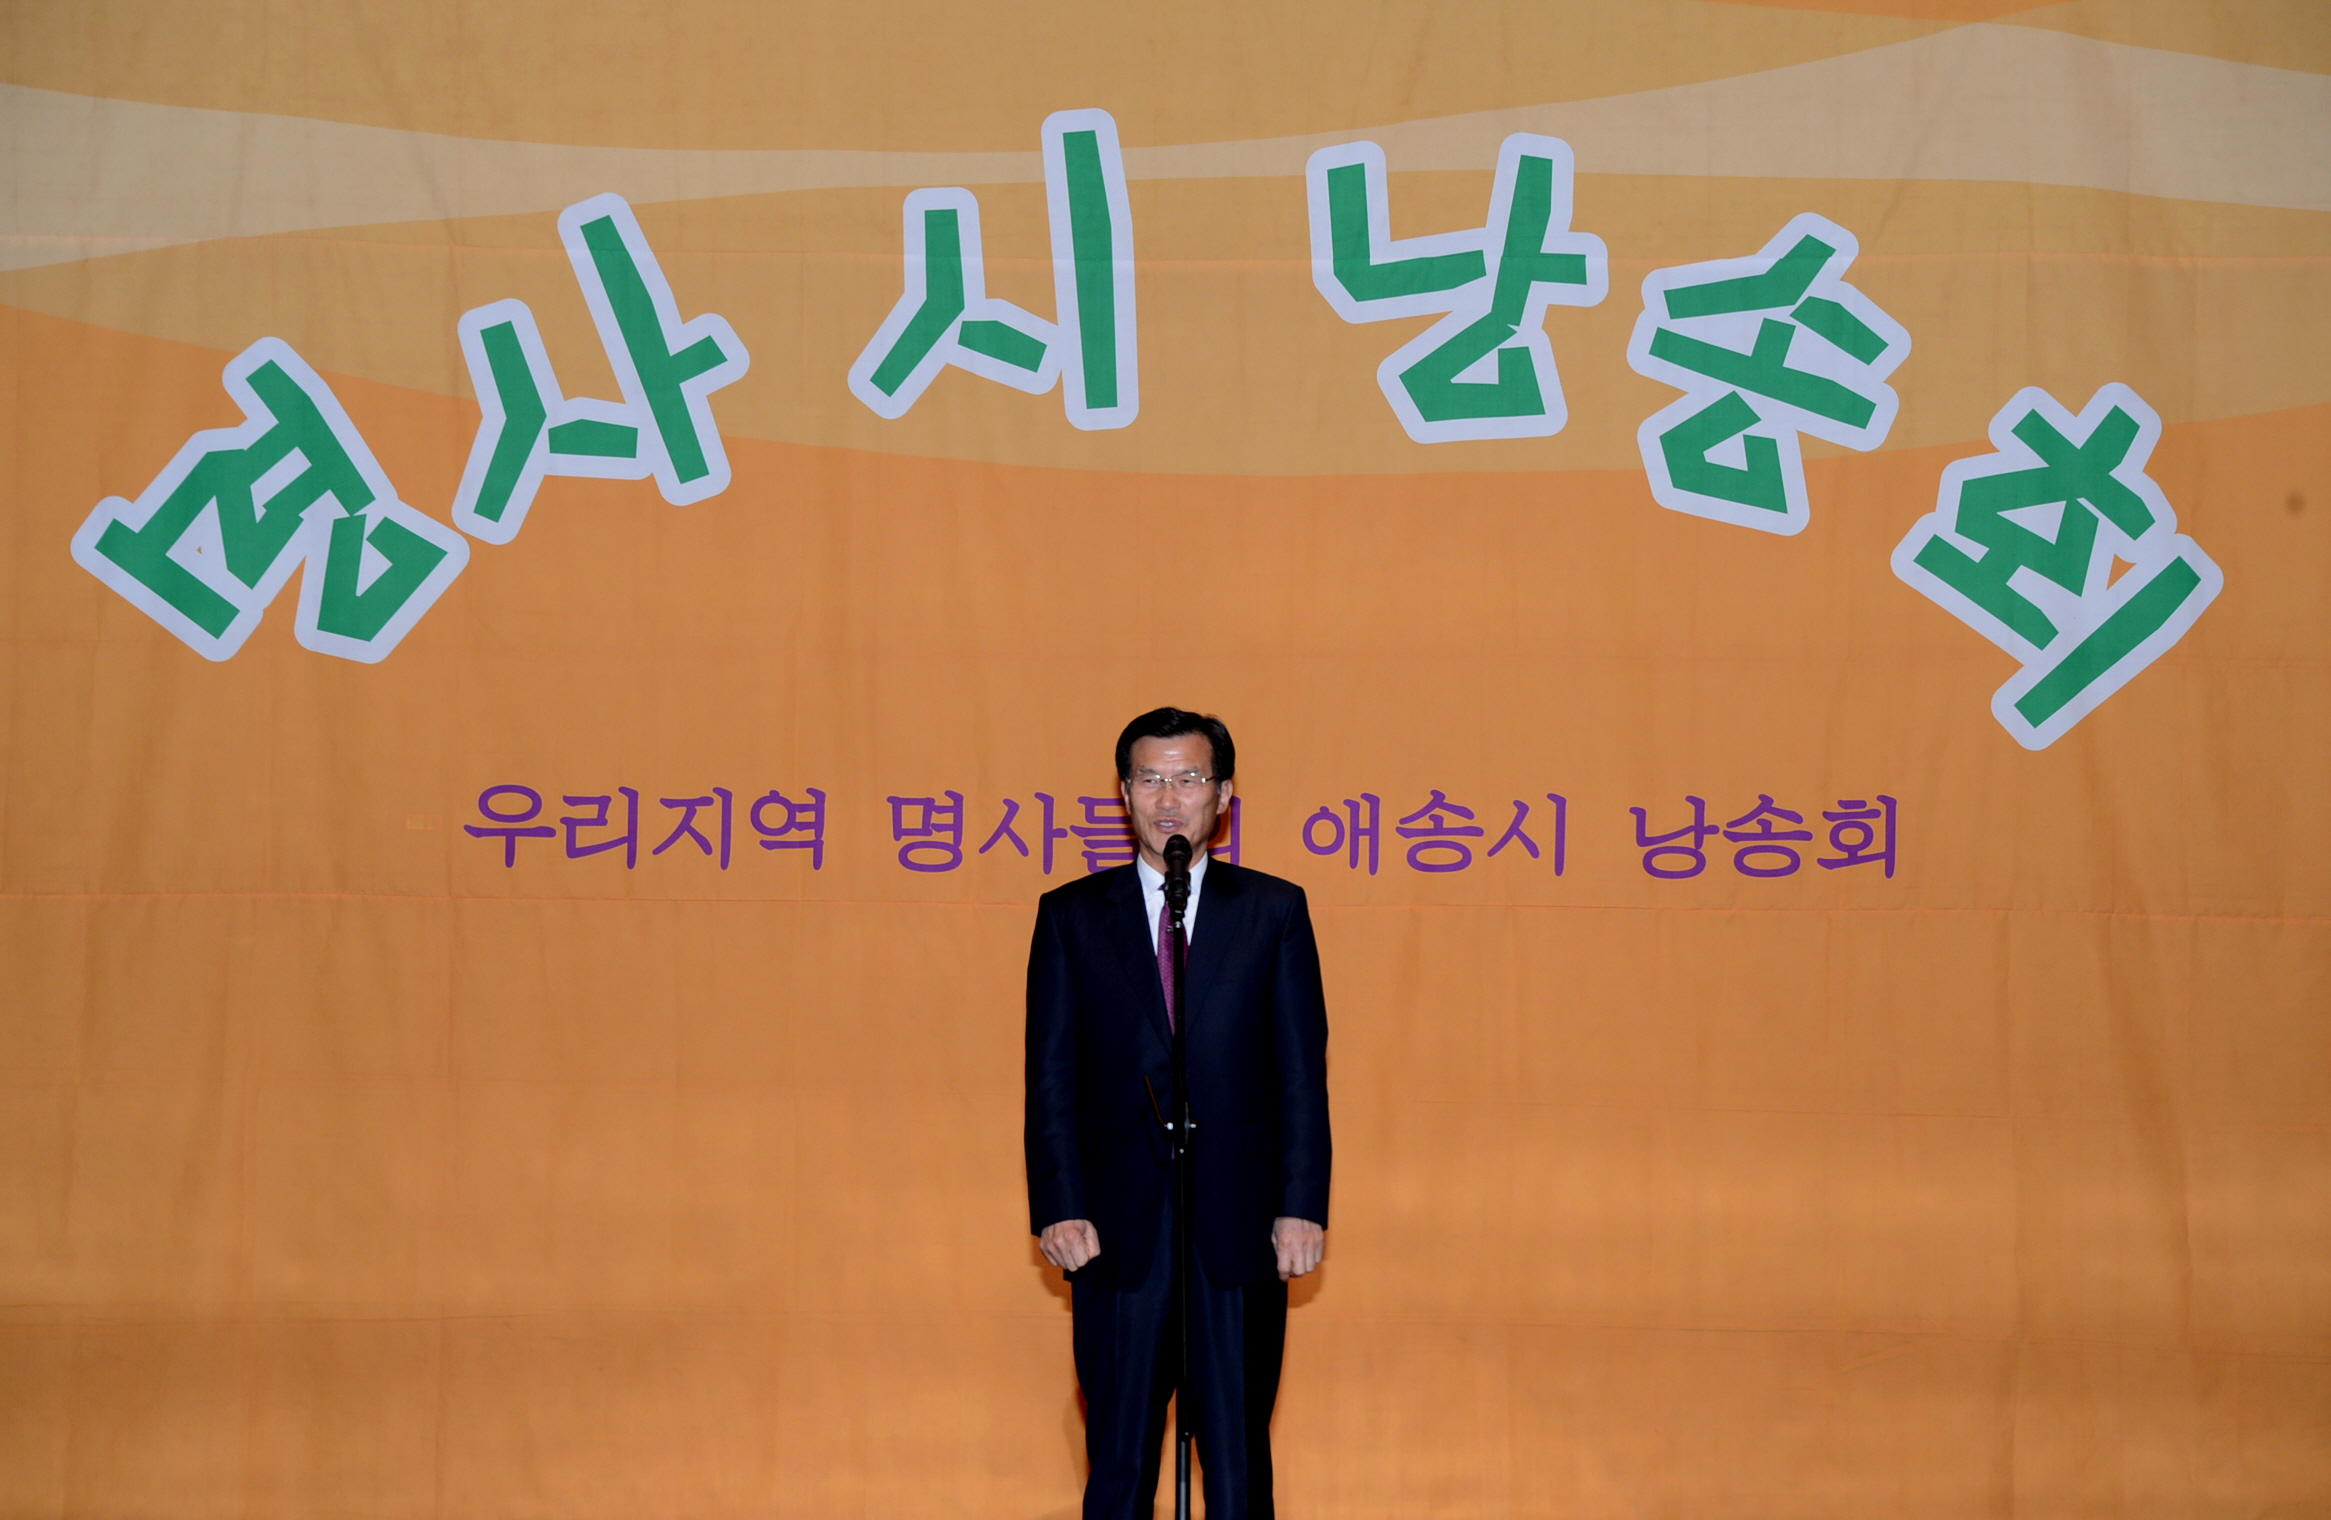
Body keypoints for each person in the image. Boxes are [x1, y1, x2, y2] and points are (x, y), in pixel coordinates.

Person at [1025, 707, 1331, 1520]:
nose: (1168, 799)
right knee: (1119, 1456)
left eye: (1189, 779)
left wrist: (1300, 1204)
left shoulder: (1272, 911)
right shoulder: (1071, 916)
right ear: (1124, 793)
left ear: (1222, 795)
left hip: (1239, 1223)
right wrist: (1058, 1204)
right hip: (1115, 1229)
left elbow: (1300, 1073)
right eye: (1150, 779)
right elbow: (1049, 1076)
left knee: (1236, 1461)